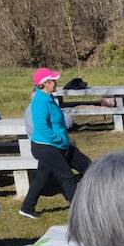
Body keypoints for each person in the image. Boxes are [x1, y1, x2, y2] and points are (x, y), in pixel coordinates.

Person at [23, 67, 91, 220]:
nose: (56, 82)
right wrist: (60, 140)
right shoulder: (40, 102)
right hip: (46, 147)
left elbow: (60, 121)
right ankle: (79, 212)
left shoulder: (49, 99)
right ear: (45, 83)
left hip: (59, 145)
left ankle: (27, 207)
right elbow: (41, 128)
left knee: (85, 165)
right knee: (67, 177)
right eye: (53, 80)